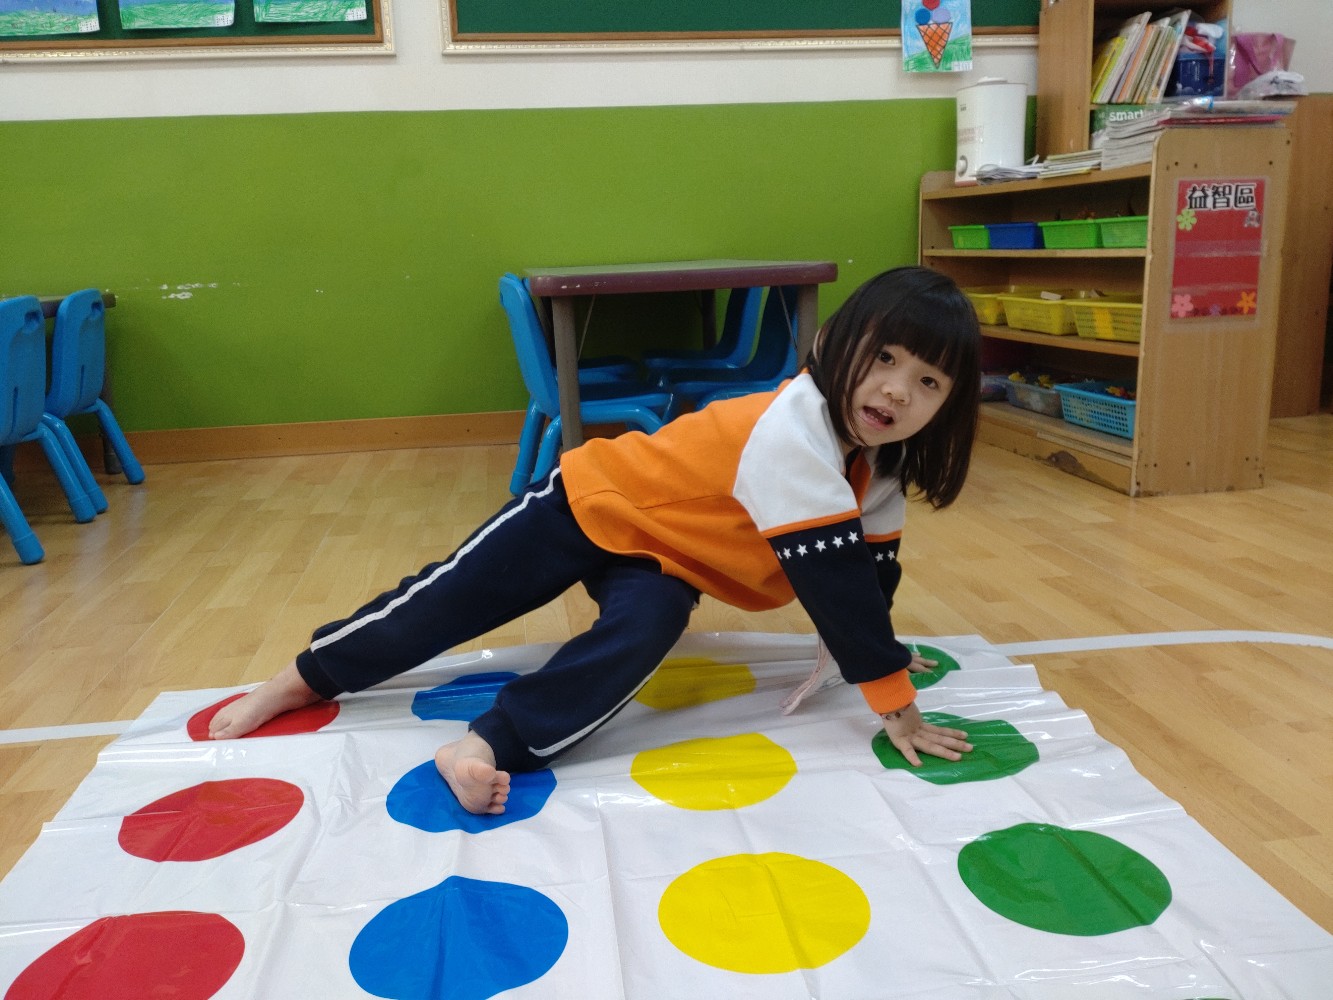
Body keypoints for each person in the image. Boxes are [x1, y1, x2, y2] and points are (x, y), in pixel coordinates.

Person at [210, 265, 982, 815]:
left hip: (667, 558)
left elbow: (869, 571)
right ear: (837, 343)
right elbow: (834, 587)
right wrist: (897, 707)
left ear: (946, 406)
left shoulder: (881, 465)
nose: (894, 390)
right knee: (444, 602)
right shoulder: (794, 433)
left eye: (927, 383)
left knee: (641, 635)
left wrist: (883, 648)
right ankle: (305, 676)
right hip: (590, 501)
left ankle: (484, 745)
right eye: (883, 358)